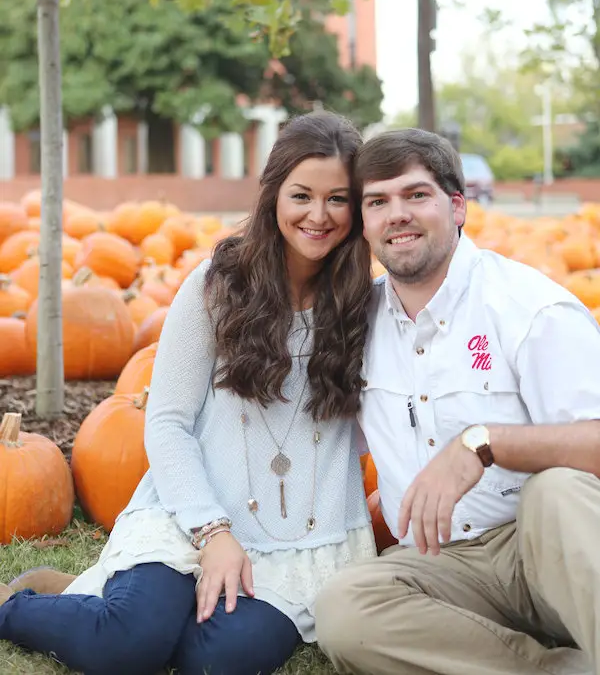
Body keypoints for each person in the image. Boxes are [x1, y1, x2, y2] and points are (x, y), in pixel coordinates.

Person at [0, 111, 376, 675]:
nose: (318, 216)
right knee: (128, 643)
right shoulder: (217, 286)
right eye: (302, 195)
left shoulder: (365, 304)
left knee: (217, 659)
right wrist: (214, 532)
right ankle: (17, 606)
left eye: (338, 199)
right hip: (192, 514)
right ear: (273, 194)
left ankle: (90, 593)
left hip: (306, 540)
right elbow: (167, 421)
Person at [316, 127, 600, 675]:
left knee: (558, 490)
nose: (396, 214)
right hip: (443, 566)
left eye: (415, 195)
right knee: (343, 609)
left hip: (550, 549)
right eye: (377, 201)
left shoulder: (530, 309)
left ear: (457, 206)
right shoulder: (354, 326)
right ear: (364, 223)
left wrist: (482, 444)